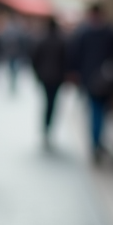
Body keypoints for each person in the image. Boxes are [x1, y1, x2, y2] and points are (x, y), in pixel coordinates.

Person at [69, 3, 113, 164]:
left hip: (90, 79)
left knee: (95, 111)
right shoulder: (110, 32)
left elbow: (75, 56)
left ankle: (95, 143)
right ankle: (97, 143)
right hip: (107, 79)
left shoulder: (83, 33)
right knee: (102, 112)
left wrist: (75, 75)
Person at [31, 17, 68, 149]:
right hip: (57, 78)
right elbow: (66, 60)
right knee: (53, 103)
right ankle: (49, 127)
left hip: (45, 77)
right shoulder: (61, 41)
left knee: (47, 102)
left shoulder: (42, 40)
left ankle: (46, 127)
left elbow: (35, 59)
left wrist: (37, 74)